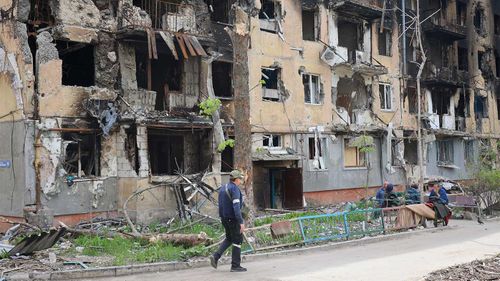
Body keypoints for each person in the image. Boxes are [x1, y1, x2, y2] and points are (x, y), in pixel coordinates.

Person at [210, 170, 247, 272]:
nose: (241, 180)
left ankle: (216, 256)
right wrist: (240, 222)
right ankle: (235, 266)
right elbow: (236, 207)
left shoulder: (223, 188)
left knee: (229, 238)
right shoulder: (234, 189)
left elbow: (221, 205)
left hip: (224, 218)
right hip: (233, 219)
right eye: (240, 178)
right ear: (236, 179)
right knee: (238, 240)